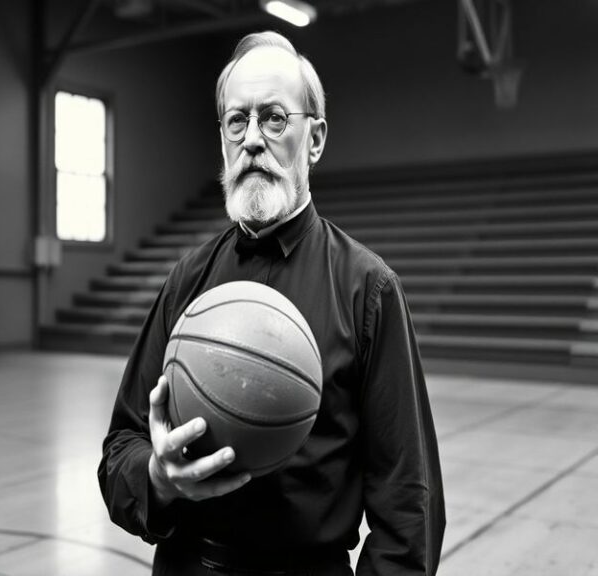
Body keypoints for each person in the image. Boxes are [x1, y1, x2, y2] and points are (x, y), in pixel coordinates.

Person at [99, 31, 445, 576]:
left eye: (275, 119)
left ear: (315, 139)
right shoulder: (187, 280)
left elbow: (408, 507)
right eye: (237, 121)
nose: (253, 140)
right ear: (222, 139)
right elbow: (122, 446)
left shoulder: (368, 289)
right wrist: (158, 478)